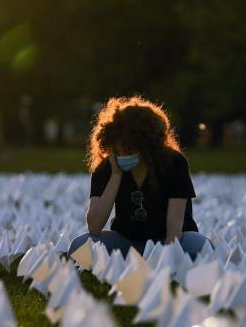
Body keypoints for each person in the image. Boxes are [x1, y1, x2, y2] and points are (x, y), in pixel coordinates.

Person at [67, 96, 214, 260]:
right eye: (119, 148)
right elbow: (94, 226)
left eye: (130, 149)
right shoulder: (107, 166)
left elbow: (175, 228)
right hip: (127, 242)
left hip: (173, 242)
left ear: (147, 146)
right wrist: (116, 175)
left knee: (200, 246)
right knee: (80, 245)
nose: (123, 154)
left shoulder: (174, 163)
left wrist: (161, 260)